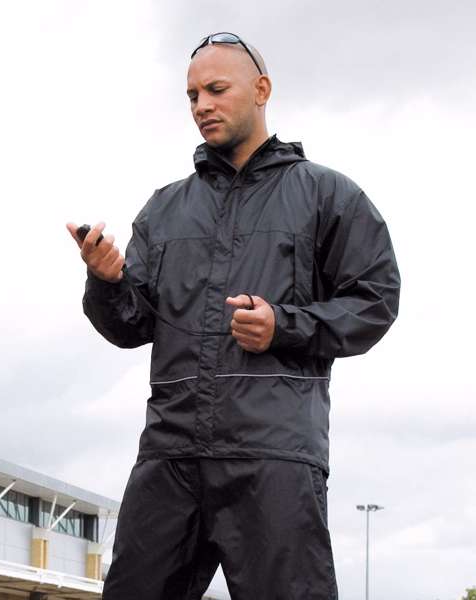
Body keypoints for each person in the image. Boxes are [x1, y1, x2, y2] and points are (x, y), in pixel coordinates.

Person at [67, 32, 400, 600]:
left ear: (261, 90)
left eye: (216, 89)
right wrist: (107, 280)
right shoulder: (165, 209)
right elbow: (130, 326)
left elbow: (376, 300)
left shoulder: (328, 195)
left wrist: (284, 325)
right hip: (170, 455)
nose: (202, 105)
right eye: (192, 95)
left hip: (273, 457)